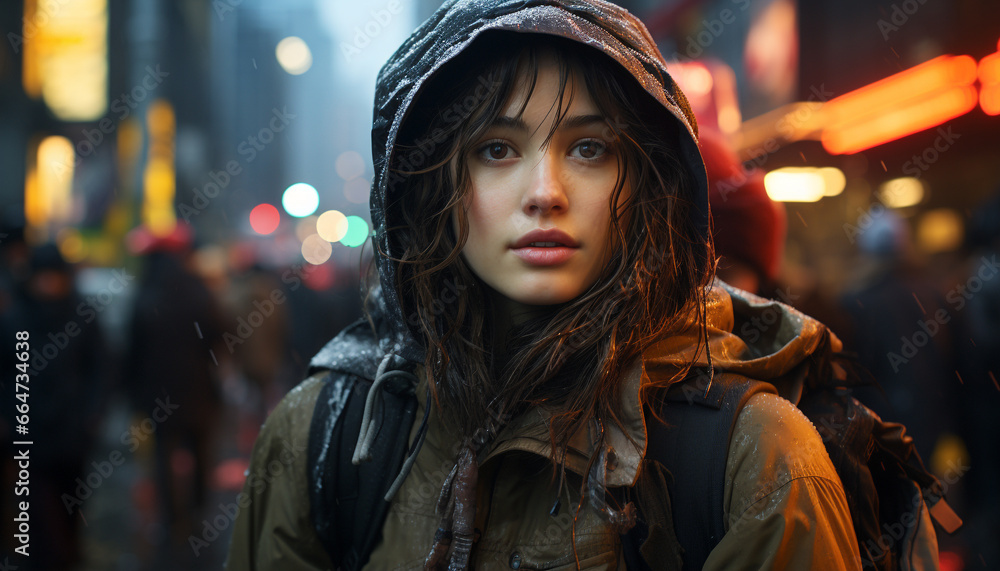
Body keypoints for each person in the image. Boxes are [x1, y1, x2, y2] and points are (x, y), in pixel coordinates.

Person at [225, 0, 864, 569]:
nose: (545, 194)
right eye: (496, 150)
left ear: (645, 184)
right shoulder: (326, 436)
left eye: (590, 149)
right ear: (428, 189)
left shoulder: (755, 460)